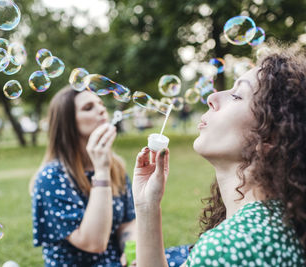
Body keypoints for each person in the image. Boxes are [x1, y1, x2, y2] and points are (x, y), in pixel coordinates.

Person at [132, 49, 306, 266]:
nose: (212, 97)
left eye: (236, 95)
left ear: (270, 138)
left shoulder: (228, 247)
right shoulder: (280, 220)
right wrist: (147, 206)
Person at [30, 86, 136, 266]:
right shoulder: (51, 177)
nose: (102, 109)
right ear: (68, 123)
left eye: (101, 104)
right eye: (88, 108)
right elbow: (94, 243)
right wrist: (101, 171)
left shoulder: (116, 165)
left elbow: (128, 222)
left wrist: (133, 251)